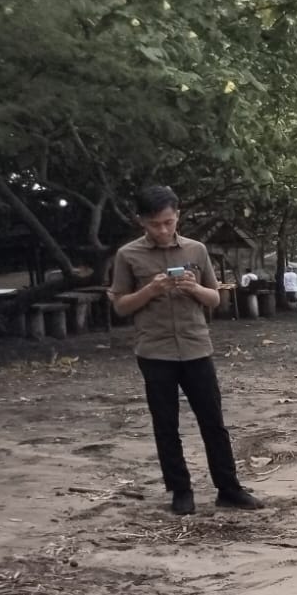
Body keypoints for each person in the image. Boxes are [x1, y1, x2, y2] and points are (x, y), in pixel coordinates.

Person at [110, 186, 264, 516]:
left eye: (168, 222)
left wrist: (194, 287)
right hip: (155, 350)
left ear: (178, 216)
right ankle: (180, 490)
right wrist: (151, 290)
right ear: (141, 222)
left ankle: (229, 488)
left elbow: (216, 299)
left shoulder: (197, 249)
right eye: (155, 224)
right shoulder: (128, 255)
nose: (163, 230)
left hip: (196, 347)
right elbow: (120, 306)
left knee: (213, 421)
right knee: (166, 424)